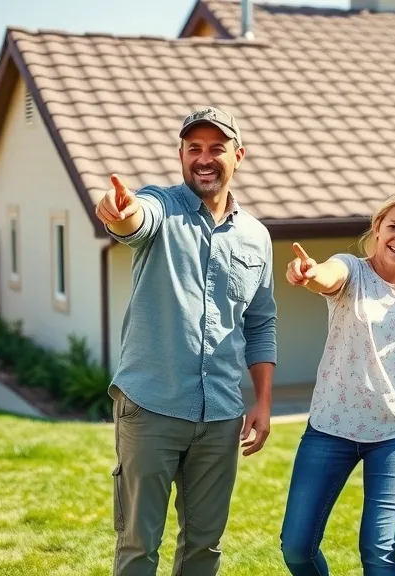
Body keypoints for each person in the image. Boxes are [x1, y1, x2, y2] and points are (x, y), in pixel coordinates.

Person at [94, 106, 277, 576]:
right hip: (151, 408)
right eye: (193, 148)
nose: (204, 158)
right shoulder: (162, 204)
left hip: (220, 416)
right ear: (180, 155)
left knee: (205, 548)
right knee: (138, 545)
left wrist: (263, 402)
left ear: (238, 155)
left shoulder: (257, 237)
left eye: (216, 148)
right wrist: (122, 213)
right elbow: (135, 220)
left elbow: (260, 324)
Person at [278, 191, 395, 576]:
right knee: (296, 548)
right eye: (393, 227)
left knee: (378, 549)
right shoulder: (350, 270)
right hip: (331, 426)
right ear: (377, 228)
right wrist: (309, 273)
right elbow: (326, 276)